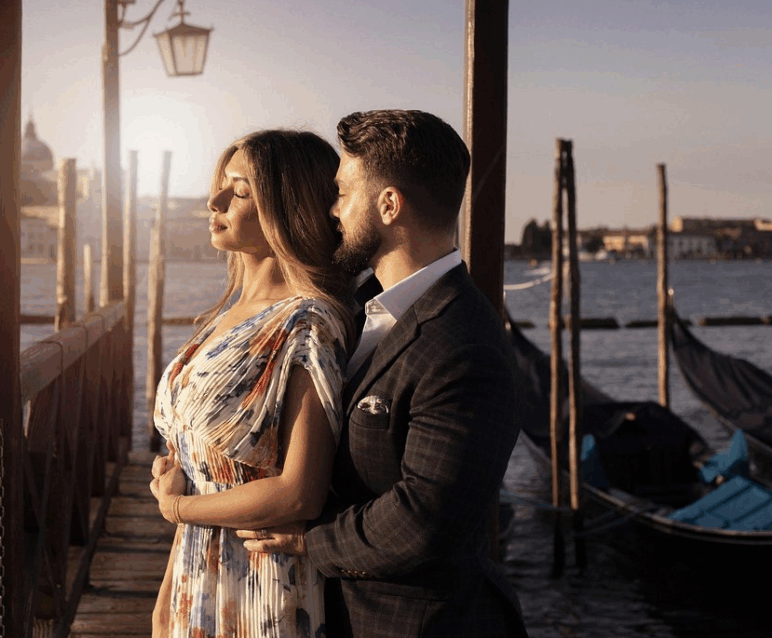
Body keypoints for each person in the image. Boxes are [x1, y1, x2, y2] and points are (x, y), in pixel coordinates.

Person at [236, 110, 528, 637]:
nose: (333, 210)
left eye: (343, 193)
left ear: (389, 205)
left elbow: (425, 517)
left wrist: (309, 541)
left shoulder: (465, 344)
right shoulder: (359, 310)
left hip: (420, 624)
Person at [148, 129, 355, 638]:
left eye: (239, 191)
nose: (214, 201)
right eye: (221, 185)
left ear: (288, 211)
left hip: (260, 588)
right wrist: (164, 602)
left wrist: (177, 509)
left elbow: (299, 494)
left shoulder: (307, 324)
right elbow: (196, 471)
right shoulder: (223, 316)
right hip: (193, 576)